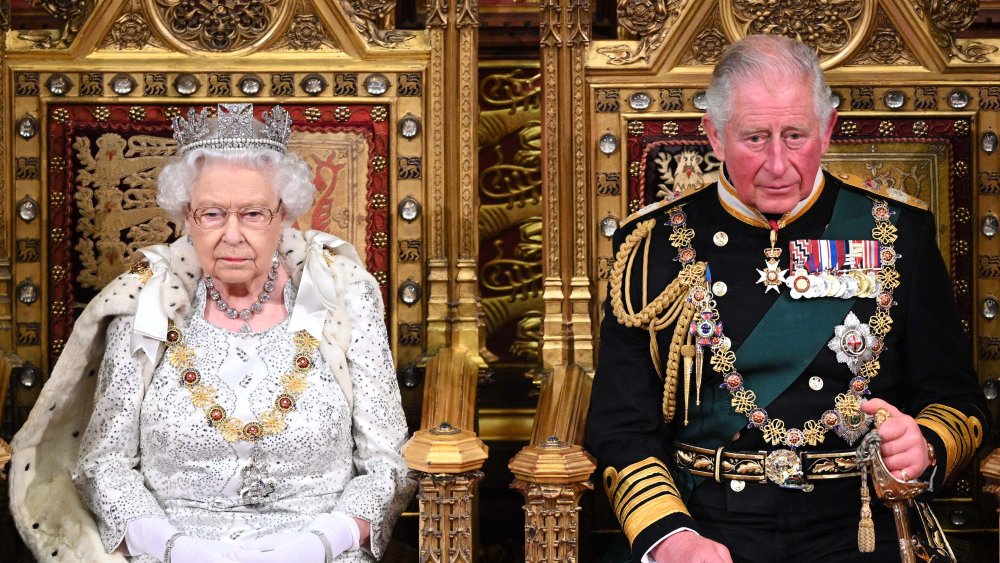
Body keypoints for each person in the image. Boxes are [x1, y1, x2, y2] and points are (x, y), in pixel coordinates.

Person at [585, 35, 990, 562]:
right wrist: (671, 538)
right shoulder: (653, 244)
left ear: (827, 130)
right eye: (755, 138)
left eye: (795, 135)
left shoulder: (896, 233)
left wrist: (926, 443)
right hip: (706, 523)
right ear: (714, 134)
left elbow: (959, 402)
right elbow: (621, 423)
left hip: (861, 525)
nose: (778, 164)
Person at [10, 103, 413, 562]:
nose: (233, 235)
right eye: (213, 214)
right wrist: (176, 548)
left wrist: (317, 545)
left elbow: (387, 464)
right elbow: (105, 463)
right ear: (187, 218)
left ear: (284, 216)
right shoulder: (145, 305)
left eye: (254, 214)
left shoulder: (344, 298)